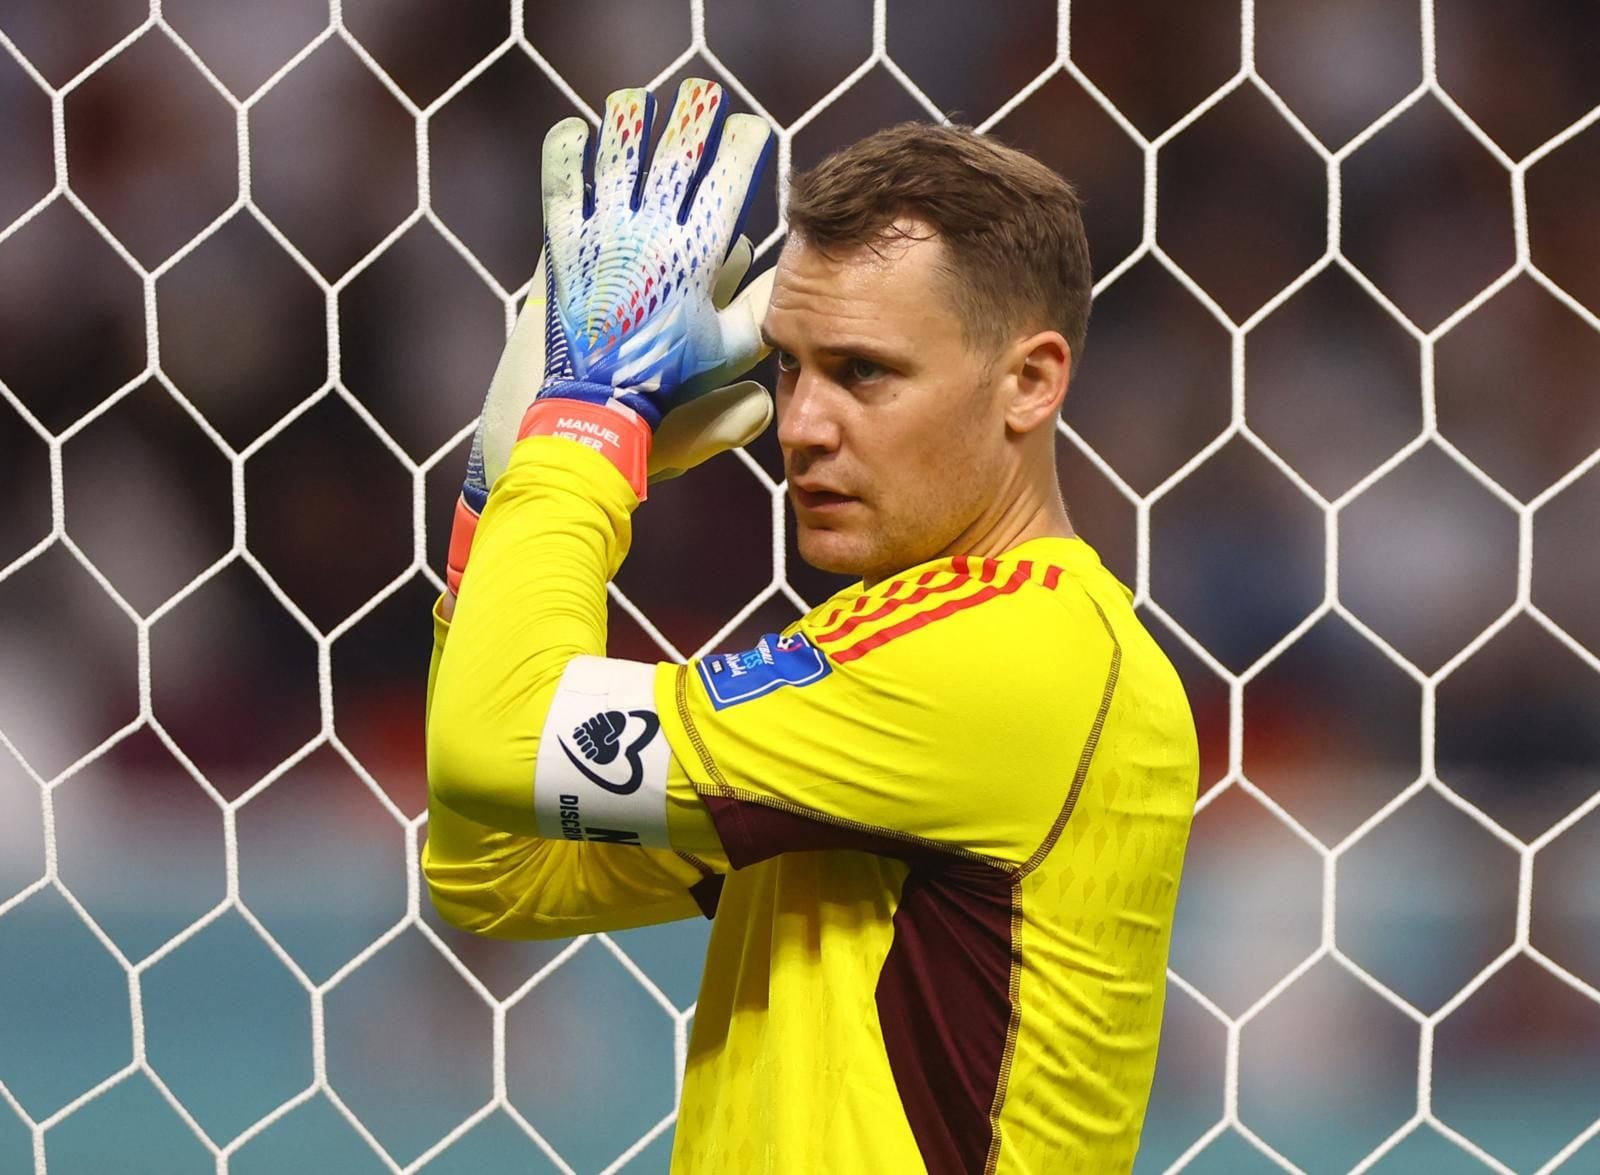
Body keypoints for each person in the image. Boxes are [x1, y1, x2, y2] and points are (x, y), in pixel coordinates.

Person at [424, 77, 1197, 1174]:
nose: (800, 424)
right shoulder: (898, 657)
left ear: (1029, 382)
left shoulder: (1018, 657)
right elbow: (500, 870)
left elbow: (496, 743)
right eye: (791, 364)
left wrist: (585, 436)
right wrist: (491, 528)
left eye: (862, 372)